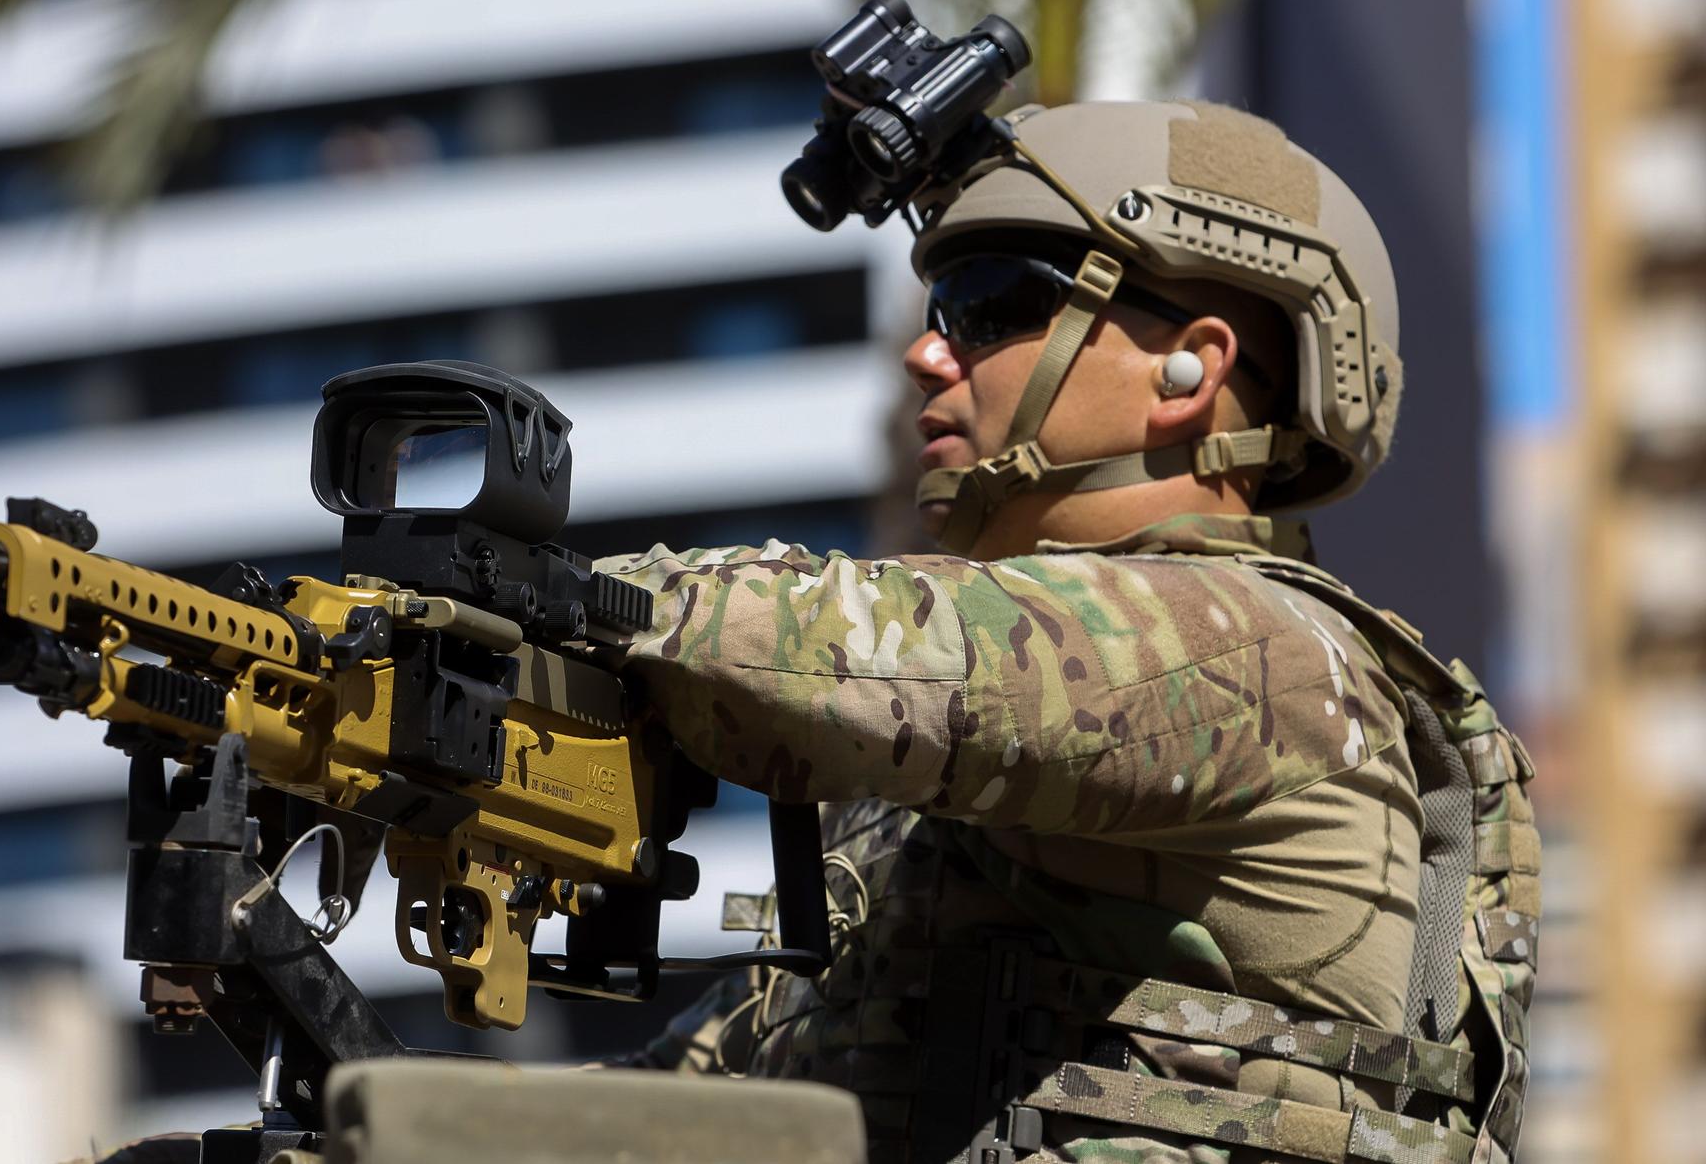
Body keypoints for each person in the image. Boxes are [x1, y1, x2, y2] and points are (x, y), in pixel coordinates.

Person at [594, 100, 1538, 1164]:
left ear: (1191, 369)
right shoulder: (934, 821)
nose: (924, 353)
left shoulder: (1263, 652)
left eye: (986, 305)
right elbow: (678, 1115)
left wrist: (566, 609)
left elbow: (834, 647)